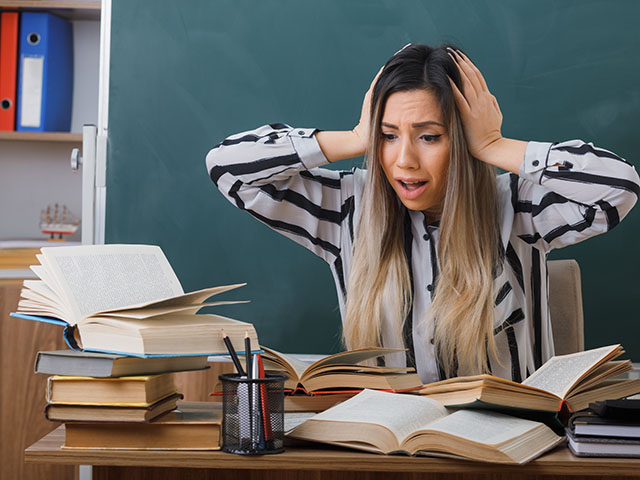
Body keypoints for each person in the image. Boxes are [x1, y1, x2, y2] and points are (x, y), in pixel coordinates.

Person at [205, 44, 639, 384]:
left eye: (429, 137)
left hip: (508, 455)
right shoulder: (346, 210)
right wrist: (358, 137)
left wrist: (492, 145)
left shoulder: (518, 206)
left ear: (462, 140)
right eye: (389, 136)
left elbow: (619, 187)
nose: (404, 160)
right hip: (391, 454)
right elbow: (228, 167)